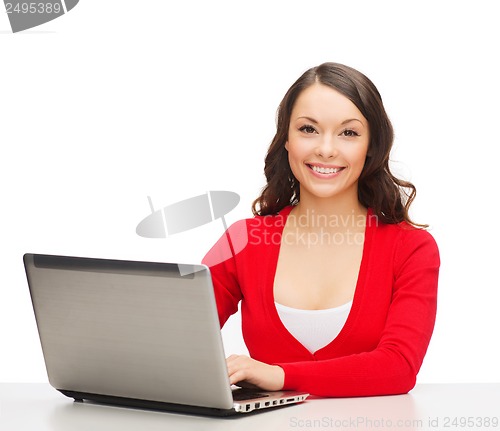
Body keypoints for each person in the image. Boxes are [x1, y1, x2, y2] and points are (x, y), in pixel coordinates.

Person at [202, 62, 440, 397]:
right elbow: (178, 340)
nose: (326, 149)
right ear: (286, 140)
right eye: (308, 129)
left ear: (372, 146)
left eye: (349, 133)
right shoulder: (243, 240)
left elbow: (398, 368)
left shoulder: (412, 247)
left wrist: (279, 375)